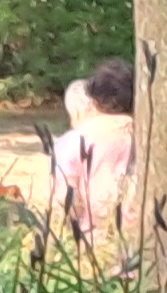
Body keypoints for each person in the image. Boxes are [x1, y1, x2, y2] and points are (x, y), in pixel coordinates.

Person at [54, 61, 137, 252]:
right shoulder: (152, 136)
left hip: (94, 246)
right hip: (147, 245)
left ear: (94, 98)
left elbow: (63, 203)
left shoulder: (73, 142)